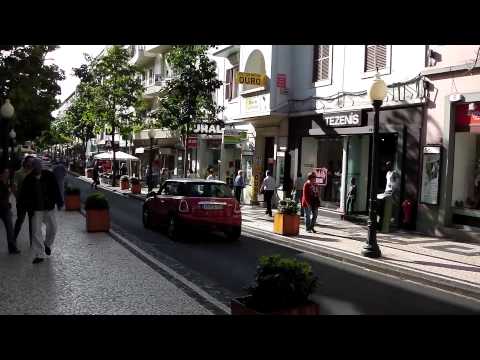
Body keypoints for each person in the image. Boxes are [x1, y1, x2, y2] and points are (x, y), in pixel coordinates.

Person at [19, 159, 64, 264]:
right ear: (33, 168)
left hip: (48, 207)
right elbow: (24, 195)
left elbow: (56, 189)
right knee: (36, 231)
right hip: (35, 209)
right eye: (36, 167)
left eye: (39, 167)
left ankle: (47, 244)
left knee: (53, 228)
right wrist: (25, 207)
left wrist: (59, 202)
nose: (38, 169)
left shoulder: (49, 175)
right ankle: (39, 254)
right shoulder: (28, 179)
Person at [13, 155, 34, 245]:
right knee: (20, 220)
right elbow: (14, 187)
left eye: (32, 162)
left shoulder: (34, 172)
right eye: (30, 161)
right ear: (25, 162)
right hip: (22, 201)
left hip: (32, 202)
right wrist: (17, 197)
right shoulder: (18, 173)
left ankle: (32, 242)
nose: (31, 163)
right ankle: (13, 238)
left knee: (32, 223)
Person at [0, 167, 19, 254]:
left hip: (5, 208)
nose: (8, 174)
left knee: (10, 228)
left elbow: (9, 193)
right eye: (6, 172)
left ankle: (12, 248)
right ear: (1, 174)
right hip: (2, 207)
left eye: (8, 172)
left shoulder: (7, 182)